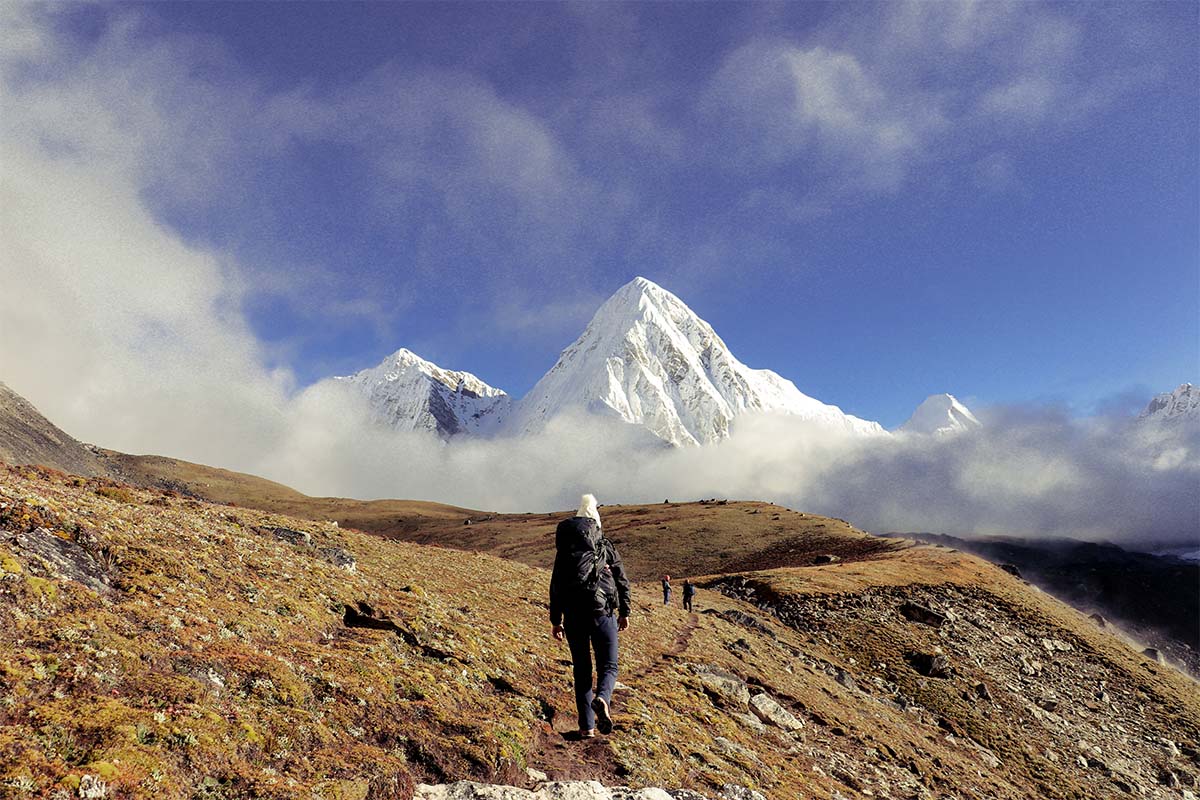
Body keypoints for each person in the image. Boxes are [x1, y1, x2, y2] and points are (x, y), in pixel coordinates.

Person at [550, 494, 631, 738]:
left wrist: (557, 620)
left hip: (574, 615)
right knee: (608, 664)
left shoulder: (565, 550)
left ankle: (587, 727)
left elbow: (556, 586)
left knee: (582, 669)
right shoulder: (605, 546)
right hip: (602, 612)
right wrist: (625, 612)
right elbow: (622, 581)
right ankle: (603, 698)